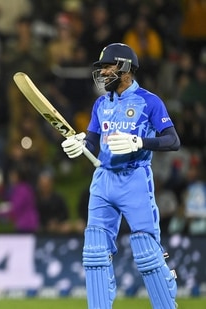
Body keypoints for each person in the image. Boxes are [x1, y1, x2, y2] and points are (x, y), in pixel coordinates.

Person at [61, 43, 180, 308]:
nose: (103, 72)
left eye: (107, 66)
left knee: (146, 252)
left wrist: (139, 142)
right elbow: (92, 142)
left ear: (125, 69)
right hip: (103, 179)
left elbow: (172, 140)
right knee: (94, 251)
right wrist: (79, 143)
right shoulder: (101, 104)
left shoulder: (149, 101)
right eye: (101, 67)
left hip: (134, 178)